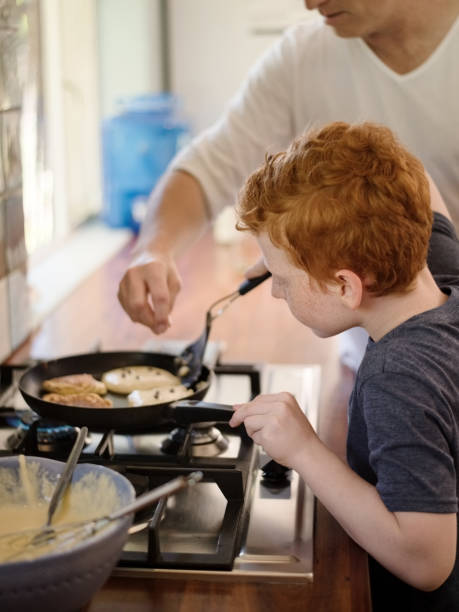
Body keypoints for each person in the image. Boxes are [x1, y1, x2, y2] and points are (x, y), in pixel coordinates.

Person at [117, 0, 459, 371]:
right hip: (372, 358)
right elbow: (208, 166)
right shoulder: (302, 58)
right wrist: (154, 248)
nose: (309, 3)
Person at [228, 121, 459, 611]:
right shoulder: (438, 269)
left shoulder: (398, 379)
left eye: (284, 279)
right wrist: (291, 244)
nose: (274, 288)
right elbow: (413, 175)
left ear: (345, 286)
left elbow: (427, 564)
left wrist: (306, 450)